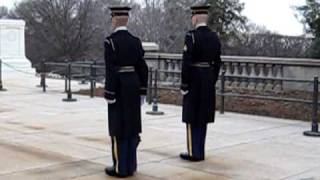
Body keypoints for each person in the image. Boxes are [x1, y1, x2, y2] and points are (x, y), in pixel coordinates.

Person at [104, 6, 148, 178]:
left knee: (118, 127)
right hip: (134, 85)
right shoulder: (135, 41)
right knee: (131, 126)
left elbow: (111, 69)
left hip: (119, 86)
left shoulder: (111, 41)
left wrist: (109, 92)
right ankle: (131, 165)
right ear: (127, 20)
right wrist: (143, 89)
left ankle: (120, 168)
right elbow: (142, 67)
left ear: (114, 19)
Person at [180, 4, 222, 162]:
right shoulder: (214, 36)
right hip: (207, 78)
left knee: (192, 116)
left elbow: (186, 62)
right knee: (203, 117)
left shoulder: (191, 36)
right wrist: (212, 79)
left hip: (194, 78)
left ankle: (193, 151)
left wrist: (184, 84)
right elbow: (218, 62)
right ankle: (200, 150)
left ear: (196, 17)